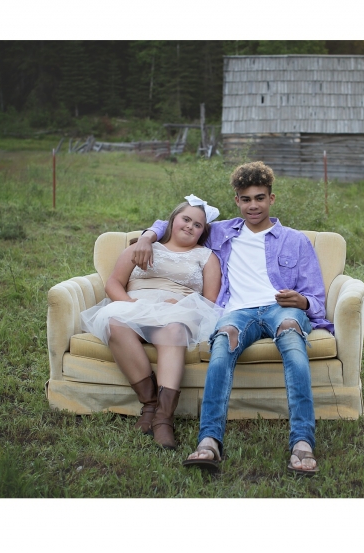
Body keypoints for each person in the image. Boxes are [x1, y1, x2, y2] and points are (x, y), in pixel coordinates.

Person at [132, 161, 333, 475]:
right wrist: (146, 236)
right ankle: (209, 441)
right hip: (236, 312)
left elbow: (315, 295)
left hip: (282, 310)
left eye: (260, 198)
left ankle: (302, 443)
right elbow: (173, 222)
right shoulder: (220, 233)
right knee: (222, 343)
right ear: (237, 201)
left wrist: (301, 301)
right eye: (246, 199)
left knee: (292, 338)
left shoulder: (295, 240)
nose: (253, 205)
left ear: (271, 199)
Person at [80, 195, 222, 450]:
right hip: (134, 304)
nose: (190, 226)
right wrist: (131, 305)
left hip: (178, 310)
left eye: (197, 225)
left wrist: (182, 305)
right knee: (115, 322)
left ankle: (164, 420)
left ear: (203, 232)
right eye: (186, 219)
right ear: (172, 221)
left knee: (173, 329)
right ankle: (150, 406)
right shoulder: (142, 246)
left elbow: (210, 299)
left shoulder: (206, 256)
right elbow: (113, 282)